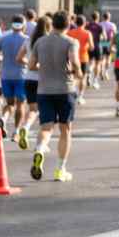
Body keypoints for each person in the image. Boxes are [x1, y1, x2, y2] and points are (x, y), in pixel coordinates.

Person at [28, 11, 84, 182]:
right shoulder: (71, 42)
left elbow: (31, 65)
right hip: (65, 90)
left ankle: (40, 148)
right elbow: (74, 62)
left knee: (46, 127)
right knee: (65, 129)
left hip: (44, 90)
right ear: (68, 25)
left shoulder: (40, 41)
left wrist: (45, 68)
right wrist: (79, 72)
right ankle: (61, 170)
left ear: (53, 24)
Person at [16, 16, 50, 149]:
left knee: (33, 110)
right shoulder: (48, 41)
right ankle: (41, 144)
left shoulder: (29, 40)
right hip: (44, 80)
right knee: (46, 112)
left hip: (29, 79)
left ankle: (25, 126)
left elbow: (19, 58)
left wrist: (29, 63)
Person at [0, 16, 28, 141]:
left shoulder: (3, 38)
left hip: (6, 75)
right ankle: (16, 131)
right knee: (20, 105)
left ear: (12, 24)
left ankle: (4, 118)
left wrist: (4, 59)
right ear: (23, 25)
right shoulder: (26, 39)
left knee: (9, 103)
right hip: (21, 76)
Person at [66, 15, 92, 104]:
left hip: (72, 58)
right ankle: (80, 97)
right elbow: (92, 47)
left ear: (76, 22)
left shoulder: (69, 32)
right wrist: (86, 46)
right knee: (82, 78)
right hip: (84, 58)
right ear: (84, 23)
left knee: (73, 77)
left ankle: (72, 92)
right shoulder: (87, 33)